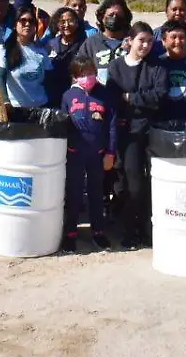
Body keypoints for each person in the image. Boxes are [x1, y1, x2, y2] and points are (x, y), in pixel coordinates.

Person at [106, 22, 168, 250]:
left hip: (152, 131)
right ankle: (129, 231)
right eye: (141, 40)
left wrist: (131, 98)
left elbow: (159, 96)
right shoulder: (115, 66)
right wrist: (139, 98)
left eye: (150, 41)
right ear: (130, 41)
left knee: (154, 180)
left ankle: (149, 229)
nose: (146, 45)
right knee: (131, 183)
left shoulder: (157, 66)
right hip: (127, 132)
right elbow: (112, 97)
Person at [60, 57, 116, 253]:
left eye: (90, 73)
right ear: (75, 77)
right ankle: (70, 233)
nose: (87, 78)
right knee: (74, 193)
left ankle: (98, 232)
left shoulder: (105, 95)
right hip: (74, 154)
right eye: (82, 75)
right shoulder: (68, 96)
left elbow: (111, 126)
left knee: (96, 193)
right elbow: (62, 125)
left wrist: (110, 152)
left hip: (97, 154)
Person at [0, 4, 53, 110]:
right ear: (15, 25)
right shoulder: (4, 49)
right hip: (16, 109)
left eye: (31, 21)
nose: (27, 24)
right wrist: (5, 102)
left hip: (40, 107)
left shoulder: (41, 51)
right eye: (23, 20)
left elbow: (49, 80)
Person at [76, 0, 132, 84]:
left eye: (118, 15)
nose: (114, 18)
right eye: (111, 15)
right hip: (97, 95)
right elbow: (78, 72)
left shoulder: (133, 42)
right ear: (102, 17)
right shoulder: (91, 43)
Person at [45, 7, 87, 105]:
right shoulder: (50, 45)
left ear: (77, 23)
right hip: (51, 96)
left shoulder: (84, 45)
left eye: (70, 21)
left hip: (75, 97)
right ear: (57, 24)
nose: (66, 25)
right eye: (62, 22)